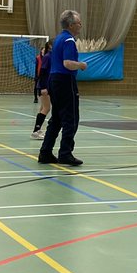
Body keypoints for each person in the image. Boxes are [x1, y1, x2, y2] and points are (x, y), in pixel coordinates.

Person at [37, 10, 87, 166]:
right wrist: (81, 65)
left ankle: (45, 152)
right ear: (71, 25)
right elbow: (67, 63)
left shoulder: (58, 39)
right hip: (65, 81)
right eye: (79, 23)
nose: (80, 25)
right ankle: (65, 153)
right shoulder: (69, 41)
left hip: (54, 80)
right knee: (71, 119)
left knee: (57, 119)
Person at [31, 39, 52, 139]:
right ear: (51, 46)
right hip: (44, 87)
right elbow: (42, 72)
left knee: (42, 108)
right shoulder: (48, 57)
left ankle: (37, 130)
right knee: (47, 108)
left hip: (47, 85)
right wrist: (43, 87)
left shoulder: (51, 56)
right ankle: (36, 131)